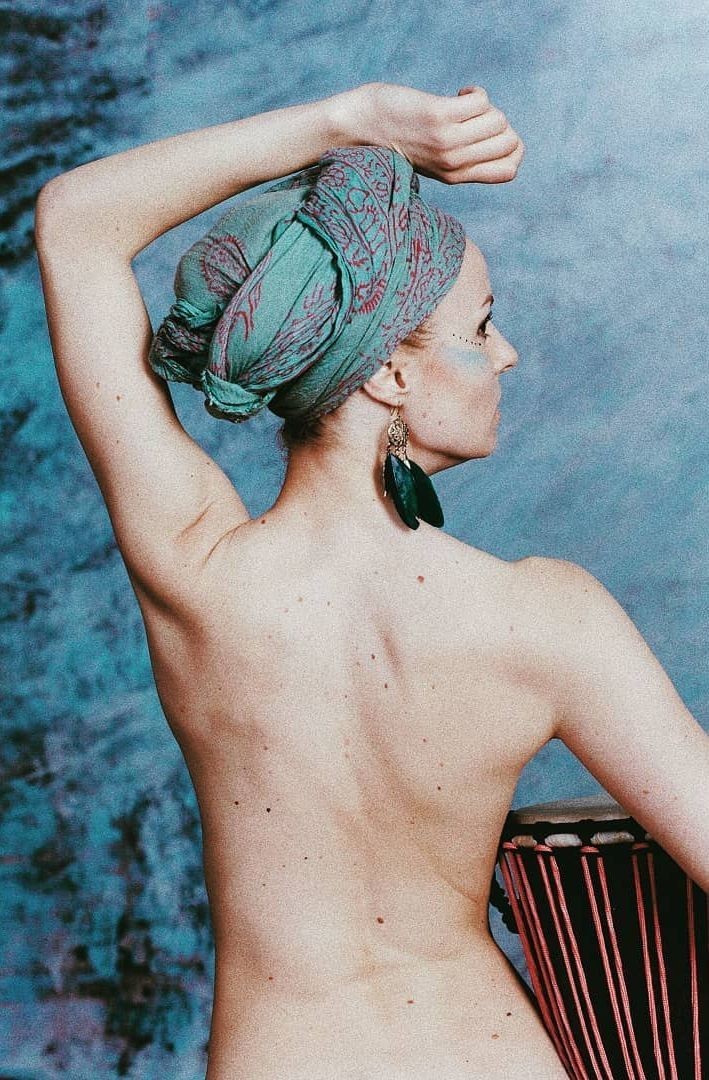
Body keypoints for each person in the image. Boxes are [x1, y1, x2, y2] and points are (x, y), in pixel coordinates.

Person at [35, 81, 708, 1080]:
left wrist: (346, 119)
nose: (506, 355)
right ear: (389, 372)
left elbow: (76, 221)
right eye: (481, 329)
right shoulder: (546, 617)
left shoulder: (196, 573)